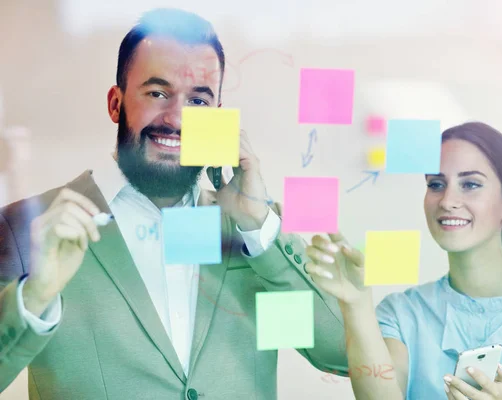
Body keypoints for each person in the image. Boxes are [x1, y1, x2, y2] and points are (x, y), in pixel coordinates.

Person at [0, 8, 347, 399]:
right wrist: (35, 295)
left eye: (198, 101)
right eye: (157, 93)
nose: (176, 118)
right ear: (116, 104)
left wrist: (257, 223)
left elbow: (339, 353)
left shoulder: (253, 235)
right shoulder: (26, 228)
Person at [304, 122, 502, 399]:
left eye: (470, 184)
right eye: (435, 184)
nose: (447, 201)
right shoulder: (402, 315)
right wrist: (356, 305)